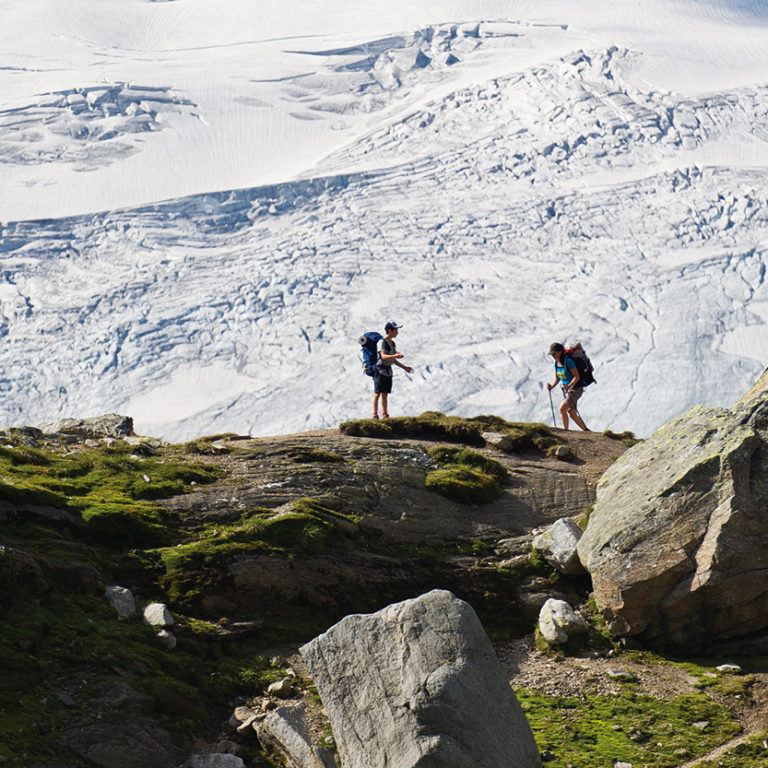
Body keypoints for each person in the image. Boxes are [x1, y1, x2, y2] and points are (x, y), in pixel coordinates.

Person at [372, 321, 413, 419]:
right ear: (390, 331)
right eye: (396, 330)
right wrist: (395, 355)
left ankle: (384, 414)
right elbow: (383, 356)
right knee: (377, 393)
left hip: (387, 371)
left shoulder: (392, 343)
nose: (397, 333)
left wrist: (405, 367)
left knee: (385, 393)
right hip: (380, 370)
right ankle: (375, 414)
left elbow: (392, 359)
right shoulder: (382, 342)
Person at [546, 342, 589, 431]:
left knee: (562, 409)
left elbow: (577, 376)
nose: (553, 355)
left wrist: (568, 386)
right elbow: (557, 378)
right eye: (552, 354)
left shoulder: (568, 362)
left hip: (576, 389)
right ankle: (587, 431)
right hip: (568, 390)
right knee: (572, 413)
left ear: (560, 352)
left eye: (554, 353)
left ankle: (565, 431)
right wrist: (552, 386)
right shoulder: (557, 363)